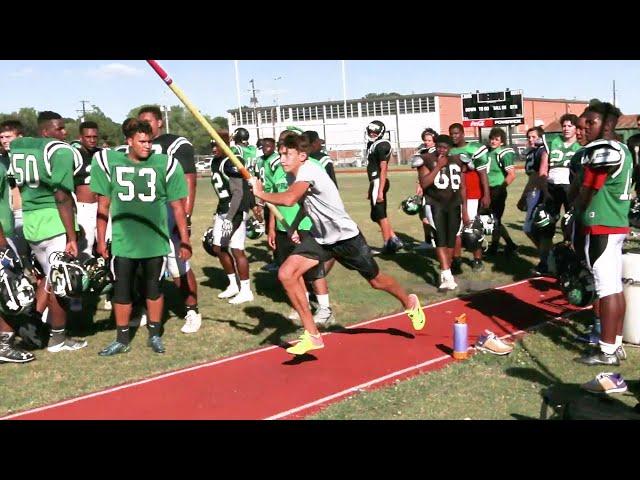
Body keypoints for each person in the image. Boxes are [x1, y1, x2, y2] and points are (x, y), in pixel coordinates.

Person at [250, 133, 425, 355]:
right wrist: (294, 227)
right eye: (281, 154)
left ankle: (409, 301)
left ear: (302, 156)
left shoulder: (309, 170)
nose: (282, 159)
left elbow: (289, 199)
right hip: (321, 238)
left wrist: (260, 193)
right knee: (286, 273)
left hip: (345, 238)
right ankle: (312, 335)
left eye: (287, 155)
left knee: (377, 281)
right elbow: (304, 202)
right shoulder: (295, 174)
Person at [92, 119, 191, 355]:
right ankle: (122, 339)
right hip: (124, 241)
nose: (148, 146)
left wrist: (185, 239)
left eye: (150, 141)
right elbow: (103, 206)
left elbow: (178, 207)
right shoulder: (110, 162)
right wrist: (101, 240)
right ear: (129, 141)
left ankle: (155, 334)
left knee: (154, 289)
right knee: (122, 291)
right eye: (142, 141)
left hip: (154, 240)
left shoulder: (164, 164)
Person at [9, 111, 87, 352]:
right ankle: (58, 338)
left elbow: (13, 146)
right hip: (54, 221)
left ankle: (34, 318)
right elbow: (62, 196)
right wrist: (72, 236)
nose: (65, 133)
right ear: (46, 132)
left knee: (49, 277)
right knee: (64, 281)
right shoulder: (60, 152)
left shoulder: (21, 146)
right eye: (60, 129)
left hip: (31, 222)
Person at [572, 102, 631, 395]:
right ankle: (615, 344)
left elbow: (588, 189)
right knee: (615, 287)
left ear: (606, 124)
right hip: (615, 222)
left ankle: (606, 350)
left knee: (606, 288)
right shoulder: (622, 148)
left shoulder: (604, 149)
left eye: (589, 124)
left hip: (602, 223)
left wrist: (575, 210)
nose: (584, 130)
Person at [137, 106, 201, 334]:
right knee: (145, 267)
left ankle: (192, 310)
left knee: (178, 265)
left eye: (148, 121)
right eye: (141, 122)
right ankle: (147, 308)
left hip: (169, 209)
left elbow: (189, 179)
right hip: (147, 213)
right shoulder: (137, 146)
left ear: (159, 122)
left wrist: (186, 216)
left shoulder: (174, 144)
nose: (145, 126)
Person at [264, 133, 335, 326]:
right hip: (283, 226)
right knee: (292, 271)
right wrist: (271, 227)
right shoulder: (276, 169)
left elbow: (296, 198)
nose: (283, 152)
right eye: (281, 147)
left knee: (315, 270)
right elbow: (273, 199)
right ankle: (302, 305)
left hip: (306, 224)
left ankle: (324, 307)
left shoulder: (310, 167)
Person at [209, 132, 254, 305]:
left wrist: (229, 217)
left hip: (234, 211)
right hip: (223, 209)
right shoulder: (215, 161)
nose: (214, 149)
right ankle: (234, 285)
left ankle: (245, 290)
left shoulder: (231, 161)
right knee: (220, 248)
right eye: (212, 145)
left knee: (234, 249)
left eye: (217, 145)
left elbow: (238, 192)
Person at [418, 135, 467, 290]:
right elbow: (424, 183)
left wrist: (465, 210)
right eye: (439, 146)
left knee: (451, 240)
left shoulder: (457, 159)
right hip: (435, 203)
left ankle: (445, 271)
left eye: (445, 147)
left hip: (454, 204)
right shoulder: (425, 158)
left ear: (450, 148)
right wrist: (438, 166)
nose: (442, 150)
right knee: (440, 239)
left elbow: (462, 187)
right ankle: (447, 274)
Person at [449, 123, 490, 272]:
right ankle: (457, 259)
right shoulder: (449, 150)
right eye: (451, 134)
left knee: (472, 229)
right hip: (453, 195)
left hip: (472, 193)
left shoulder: (474, 148)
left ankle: (477, 259)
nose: (454, 136)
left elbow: (483, 174)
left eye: (456, 133)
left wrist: (486, 194)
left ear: (462, 133)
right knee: (455, 230)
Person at [364, 120, 403, 254]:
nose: (372, 133)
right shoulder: (372, 144)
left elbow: (383, 168)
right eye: (370, 131)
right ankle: (394, 239)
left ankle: (388, 244)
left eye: (375, 131)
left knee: (380, 214)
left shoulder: (382, 145)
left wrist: (379, 190)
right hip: (374, 183)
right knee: (375, 216)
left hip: (378, 182)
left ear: (381, 132)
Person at [516, 126, 550, 272]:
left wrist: (529, 194)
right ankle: (548, 257)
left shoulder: (542, 151)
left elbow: (539, 175)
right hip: (533, 192)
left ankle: (548, 258)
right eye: (529, 137)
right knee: (533, 229)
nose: (531, 139)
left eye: (534, 137)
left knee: (531, 228)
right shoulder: (532, 152)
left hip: (539, 192)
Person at [484, 127, 518, 255]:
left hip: (497, 188)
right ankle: (510, 244)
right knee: (492, 219)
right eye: (492, 139)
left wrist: (501, 188)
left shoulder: (503, 153)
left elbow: (512, 174)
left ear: (502, 142)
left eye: (496, 139)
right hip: (487, 190)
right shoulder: (487, 152)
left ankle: (494, 247)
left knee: (495, 220)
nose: (493, 141)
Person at [72, 121, 101, 256]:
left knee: (108, 242)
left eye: (95, 137)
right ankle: (85, 276)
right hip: (84, 207)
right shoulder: (74, 155)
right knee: (85, 246)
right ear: (81, 138)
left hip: (103, 206)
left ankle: (109, 275)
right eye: (88, 137)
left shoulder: (103, 154)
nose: (92, 140)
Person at [411, 128, 438, 249]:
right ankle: (430, 240)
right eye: (425, 140)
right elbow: (420, 172)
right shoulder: (424, 151)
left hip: (433, 188)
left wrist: (421, 185)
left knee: (429, 216)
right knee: (424, 215)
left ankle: (432, 241)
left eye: (429, 140)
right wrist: (418, 184)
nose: (427, 142)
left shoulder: (435, 153)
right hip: (425, 186)